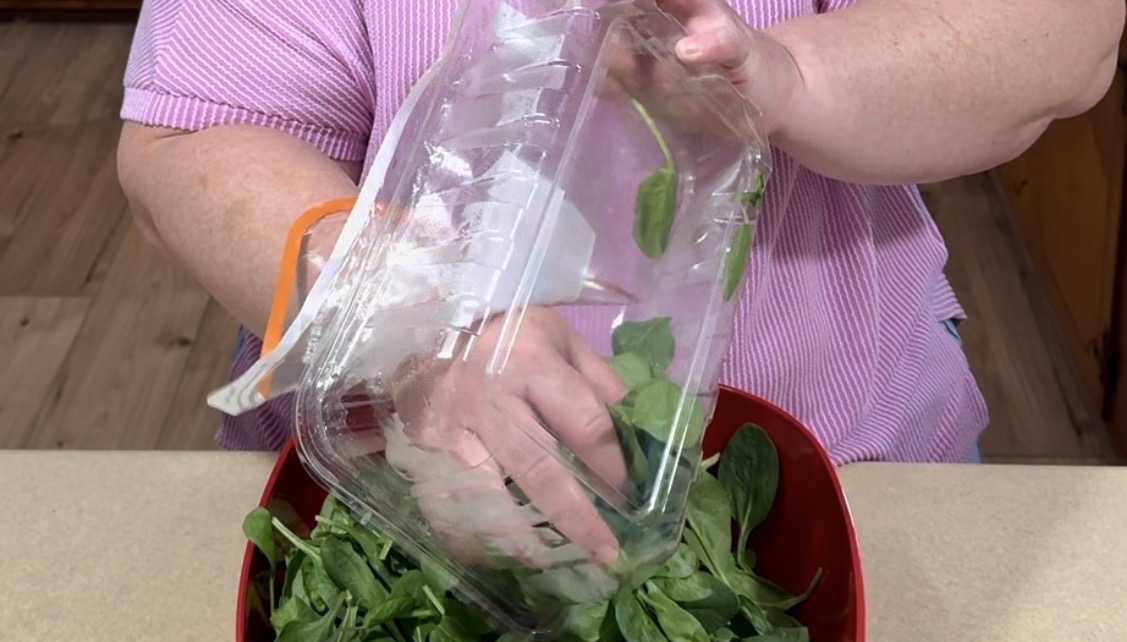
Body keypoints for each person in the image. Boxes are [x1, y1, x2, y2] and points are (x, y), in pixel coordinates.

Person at [117, 0, 1124, 490]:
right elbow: (199, 134)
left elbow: (1055, 32)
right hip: (389, 483)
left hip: (842, 470)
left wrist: (794, 82)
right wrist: (408, 314)